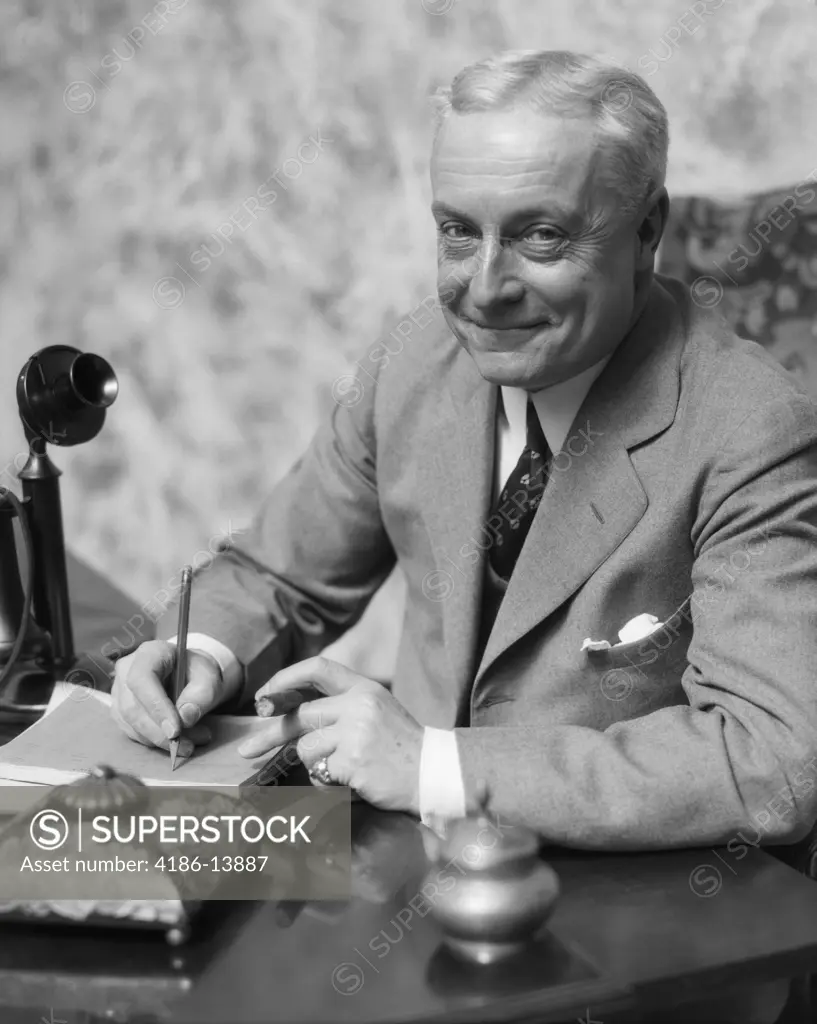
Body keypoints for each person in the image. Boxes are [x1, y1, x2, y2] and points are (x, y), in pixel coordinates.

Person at [112, 50, 817, 855]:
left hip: (638, 918)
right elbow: (282, 573)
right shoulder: (413, 359)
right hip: (406, 873)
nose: (482, 289)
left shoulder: (753, 426)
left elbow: (771, 762)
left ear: (645, 233)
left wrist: (433, 766)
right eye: (456, 233)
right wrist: (195, 653)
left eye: (540, 236)